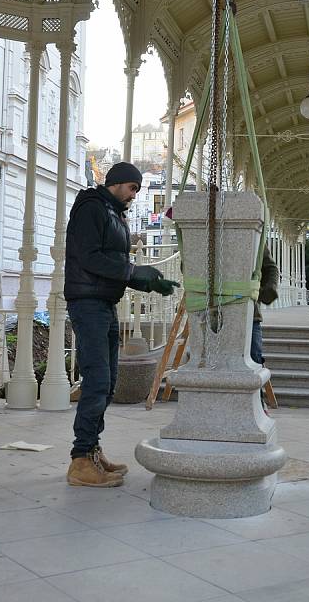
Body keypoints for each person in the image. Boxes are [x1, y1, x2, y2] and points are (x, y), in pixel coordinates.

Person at [64, 161, 179, 488]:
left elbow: (111, 265)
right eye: (133, 187)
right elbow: (90, 258)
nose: (135, 195)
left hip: (103, 301)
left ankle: (92, 451)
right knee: (98, 379)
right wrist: (132, 272)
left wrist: (147, 282)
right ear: (116, 183)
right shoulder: (91, 209)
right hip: (88, 303)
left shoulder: (114, 213)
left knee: (109, 380)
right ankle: (80, 460)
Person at [250, 246, 279, 366]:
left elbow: (271, 269)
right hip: (215, 311)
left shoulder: (255, 235)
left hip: (251, 313)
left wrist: (267, 290)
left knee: (254, 358)